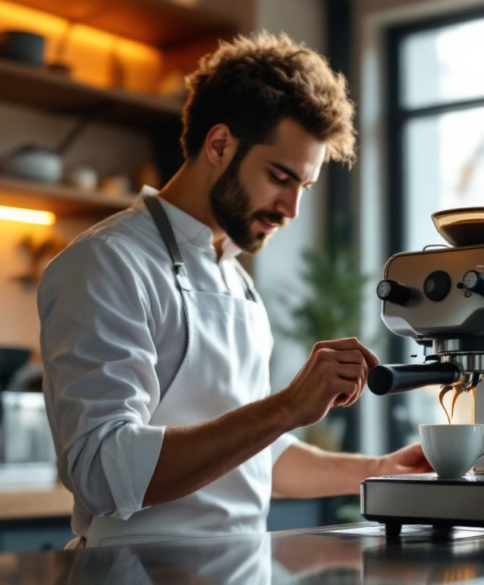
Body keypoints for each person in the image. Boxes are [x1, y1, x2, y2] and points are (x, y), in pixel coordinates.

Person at [38, 31, 431, 548]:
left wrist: (381, 469)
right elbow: (101, 471)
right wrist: (287, 406)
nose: (290, 209)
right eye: (279, 176)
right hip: (131, 571)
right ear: (219, 144)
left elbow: (251, 456)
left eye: (303, 188)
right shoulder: (108, 262)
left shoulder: (237, 280)